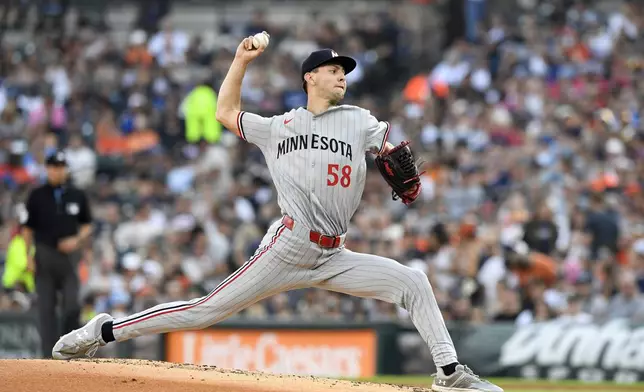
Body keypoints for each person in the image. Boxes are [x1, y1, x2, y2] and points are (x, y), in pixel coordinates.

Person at [52, 36, 502, 392]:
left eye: (344, 69)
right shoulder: (278, 127)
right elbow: (225, 111)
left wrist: (392, 161)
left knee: (413, 281)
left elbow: (388, 150)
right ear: (310, 77)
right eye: (332, 69)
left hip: (335, 255)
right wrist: (240, 62)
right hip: (287, 246)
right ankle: (103, 331)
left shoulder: (358, 119)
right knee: (202, 312)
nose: (341, 74)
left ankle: (450, 374)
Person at [21, 151, 93, 357]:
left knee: (72, 305)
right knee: (46, 310)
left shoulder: (77, 195)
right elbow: (27, 228)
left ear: (65, 169)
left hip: (69, 258)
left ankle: (69, 350)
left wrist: (77, 240)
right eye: (53, 167)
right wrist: (28, 255)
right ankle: (47, 357)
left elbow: (87, 225)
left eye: (60, 167)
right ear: (47, 169)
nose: (56, 170)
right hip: (44, 255)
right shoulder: (37, 195)